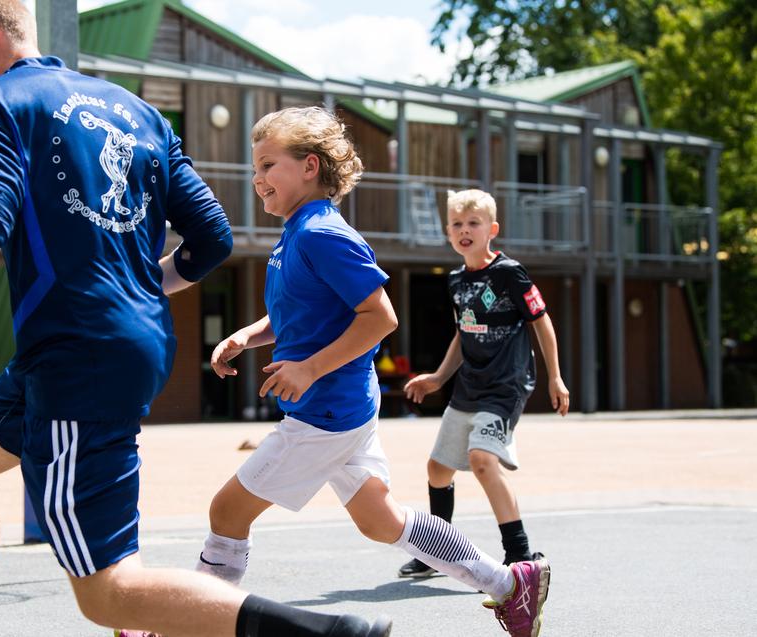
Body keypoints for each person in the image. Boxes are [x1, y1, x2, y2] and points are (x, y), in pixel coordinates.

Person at [0, 2, 394, 636]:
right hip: (103, 345)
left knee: (108, 592)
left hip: (75, 357)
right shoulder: (139, 113)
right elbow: (213, 237)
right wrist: (139, 286)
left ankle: (330, 634)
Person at [200, 106, 550, 637]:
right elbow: (305, 311)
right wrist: (249, 336)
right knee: (380, 519)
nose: (257, 178)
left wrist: (310, 369)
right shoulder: (298, 232)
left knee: (227, 512)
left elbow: (380, 317)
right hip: (343, 405)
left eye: (269, 165)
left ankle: (192, 623)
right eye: (255, 168)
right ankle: (509, 583)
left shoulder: (322, 234)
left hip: (325, 413)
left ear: (310, 167)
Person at [397, 189, 570, 584]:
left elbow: (541, 321)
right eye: (457, 224)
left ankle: (519, 554)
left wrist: (556, 376)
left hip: (506, 385)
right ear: (447, 232)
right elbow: (464, 333)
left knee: (482, 460)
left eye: (473, 223)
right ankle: (436, 552)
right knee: (437, 470)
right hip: (469, 386)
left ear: (492, 229)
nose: (465, 230)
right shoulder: (456, 280)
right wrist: (438, 377)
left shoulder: (510, 273)